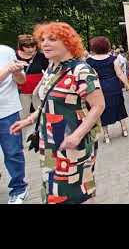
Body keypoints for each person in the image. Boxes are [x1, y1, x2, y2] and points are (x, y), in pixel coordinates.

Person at [10, 22, 105, 204]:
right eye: (43, 39)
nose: (44, 43)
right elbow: (47, 104)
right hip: (49, 142)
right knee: (53, 188)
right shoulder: (52, 69)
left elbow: (99, 106)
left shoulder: (82, 70)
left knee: (78, 190)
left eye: (52, 39)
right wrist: (29, 120)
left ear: (68, 42)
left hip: (72, 142)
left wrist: (76, 136)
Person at [87, 37, 129, 144]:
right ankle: (124, 129)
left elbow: (90, 77)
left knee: (103, 110)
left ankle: (106, 135)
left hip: (100, 88)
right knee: (119, 106)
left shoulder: (89, 61)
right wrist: (128, 86)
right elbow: (120, 74)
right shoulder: (113, 59)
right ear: (106, 46)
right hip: (114, 86)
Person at [0, 45, 28, 204]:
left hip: (8, 112)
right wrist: (8, 70)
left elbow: (21, 80)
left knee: (13, 153)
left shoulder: (6, 51)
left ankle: (19, 188)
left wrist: (16, 72)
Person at [15, 34, 49, 122]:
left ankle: (40, 132)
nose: (31, 49)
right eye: (27, 47)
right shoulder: (14, 56)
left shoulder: (40, 56)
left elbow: (48, 71)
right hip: (22, 91)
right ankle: (23, 134)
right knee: (23, 115)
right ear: (21, 46)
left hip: (38, 91)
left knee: (41, 113)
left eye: (33, 46)